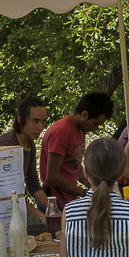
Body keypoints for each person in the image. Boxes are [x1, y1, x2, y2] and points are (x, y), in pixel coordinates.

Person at [40, 92, 115, 230]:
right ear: (84, 114)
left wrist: (96, 185)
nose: (95, 128)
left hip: (69, 199)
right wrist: (84, 192)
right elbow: (52, 176)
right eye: (95, 123)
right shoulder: (61, 131)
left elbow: (74, 166)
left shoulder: (80, 131)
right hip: (55, 203)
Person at [0, 94, 53, 228]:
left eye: (43, 121)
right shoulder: (7, 146)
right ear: (20, 119)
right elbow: (7, 195)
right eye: (35, 121)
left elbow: (33, 185)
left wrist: (54, 211)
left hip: (10, 212)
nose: (40, 127)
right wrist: (41, 216)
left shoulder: (29, 143)